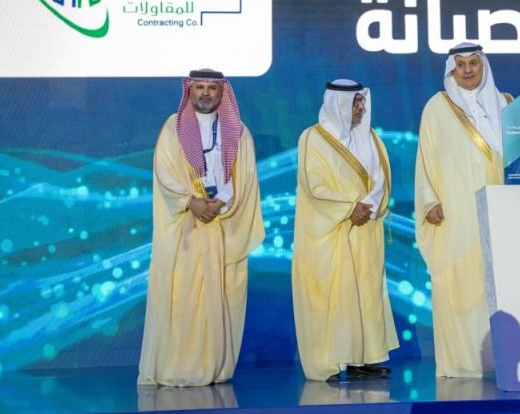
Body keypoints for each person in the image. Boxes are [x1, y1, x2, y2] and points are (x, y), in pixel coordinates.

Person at [138, 69, 265, 387]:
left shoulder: (238, 132)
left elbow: (245, 177)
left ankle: (213, 367)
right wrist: (191, 202)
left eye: (212, 88)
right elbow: (165, 173)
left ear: (222, 93)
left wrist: (219, 202)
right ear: (189, 90)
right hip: (186, 228)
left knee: (217, 298)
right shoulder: (173, 128)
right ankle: (176, 368)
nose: (206, 93)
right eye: (199, 87)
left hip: (221, 225)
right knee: (182, 298)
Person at [292, 79, 398, 382]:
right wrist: (350, 207)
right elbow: (314, 185)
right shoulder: (313, 138)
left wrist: (367, 206)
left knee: (366, 295)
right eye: (355, 102)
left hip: (366, 228)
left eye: (362, 101)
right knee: (334, 296)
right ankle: (329, 362)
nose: (361, 108)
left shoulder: (370, 137)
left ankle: (363, 358)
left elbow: (380, 177)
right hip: (331, 231)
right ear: (338, 104)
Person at [415, 42, 510, 377]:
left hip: (500, 212)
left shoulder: (505, 104)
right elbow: (424, 158)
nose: (467, 70)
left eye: (473, 63)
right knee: (459, 284)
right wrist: (429, 200)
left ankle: (501, 360)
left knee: (498, 283)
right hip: (455, 214)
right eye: (460, 64)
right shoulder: (437, 106)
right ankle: (464, 363)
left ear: (483, 66)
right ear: (451, 70)